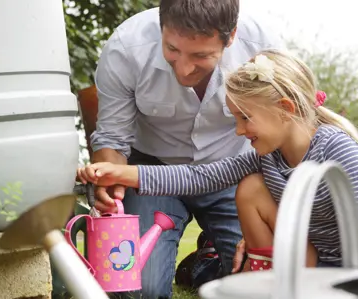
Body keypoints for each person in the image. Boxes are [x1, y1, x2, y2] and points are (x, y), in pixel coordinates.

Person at [78, 49, 358, 275]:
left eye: (246, 118)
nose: (239, 130)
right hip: (320, 268)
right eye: (235, 118)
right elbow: (199, 177)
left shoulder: (337, 151)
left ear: (285, 108)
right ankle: (258, 276)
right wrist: (119, 171)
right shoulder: (269, 158)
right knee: (250, 188)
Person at [88, 0, 283, 296]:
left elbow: (282, 131)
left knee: (258, 279)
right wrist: (109, 183)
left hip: (233, 170)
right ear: (161, 25)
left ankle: (208, 262)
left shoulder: (264, 46)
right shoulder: (126, 48)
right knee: (139, 289)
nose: (184, 68)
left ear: (230, 37)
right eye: (172, 50)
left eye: (201, 55)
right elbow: (112, 138)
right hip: (151, 170)